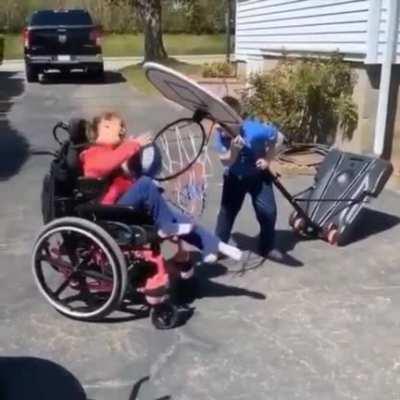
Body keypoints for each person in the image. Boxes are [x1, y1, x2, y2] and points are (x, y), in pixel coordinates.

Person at [80, 111, 242, 264]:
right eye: (119, 125)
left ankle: (214, 245)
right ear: (105, 126)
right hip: (110, 211)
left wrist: (129, 158)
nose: (122, 130)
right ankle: (168, 229)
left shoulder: (112, 152)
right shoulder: (92, 152)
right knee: (145, 184)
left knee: (176, 216)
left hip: (124, 206)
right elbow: (101, 166)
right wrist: (132, 145)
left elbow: (124, 176)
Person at [214, 96, 294, 263]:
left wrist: (267, 159)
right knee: (227, 213)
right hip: (235, 177)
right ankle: (219, 247)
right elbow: (225, 161)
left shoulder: (256, 130)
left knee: (268, 212)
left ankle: (267, 247)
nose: (219, 127)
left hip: (259, 177)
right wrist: (234, 151)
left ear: (238, 120)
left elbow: (278, 138)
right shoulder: (220, 135)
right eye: (218, 122)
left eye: (224, 124)